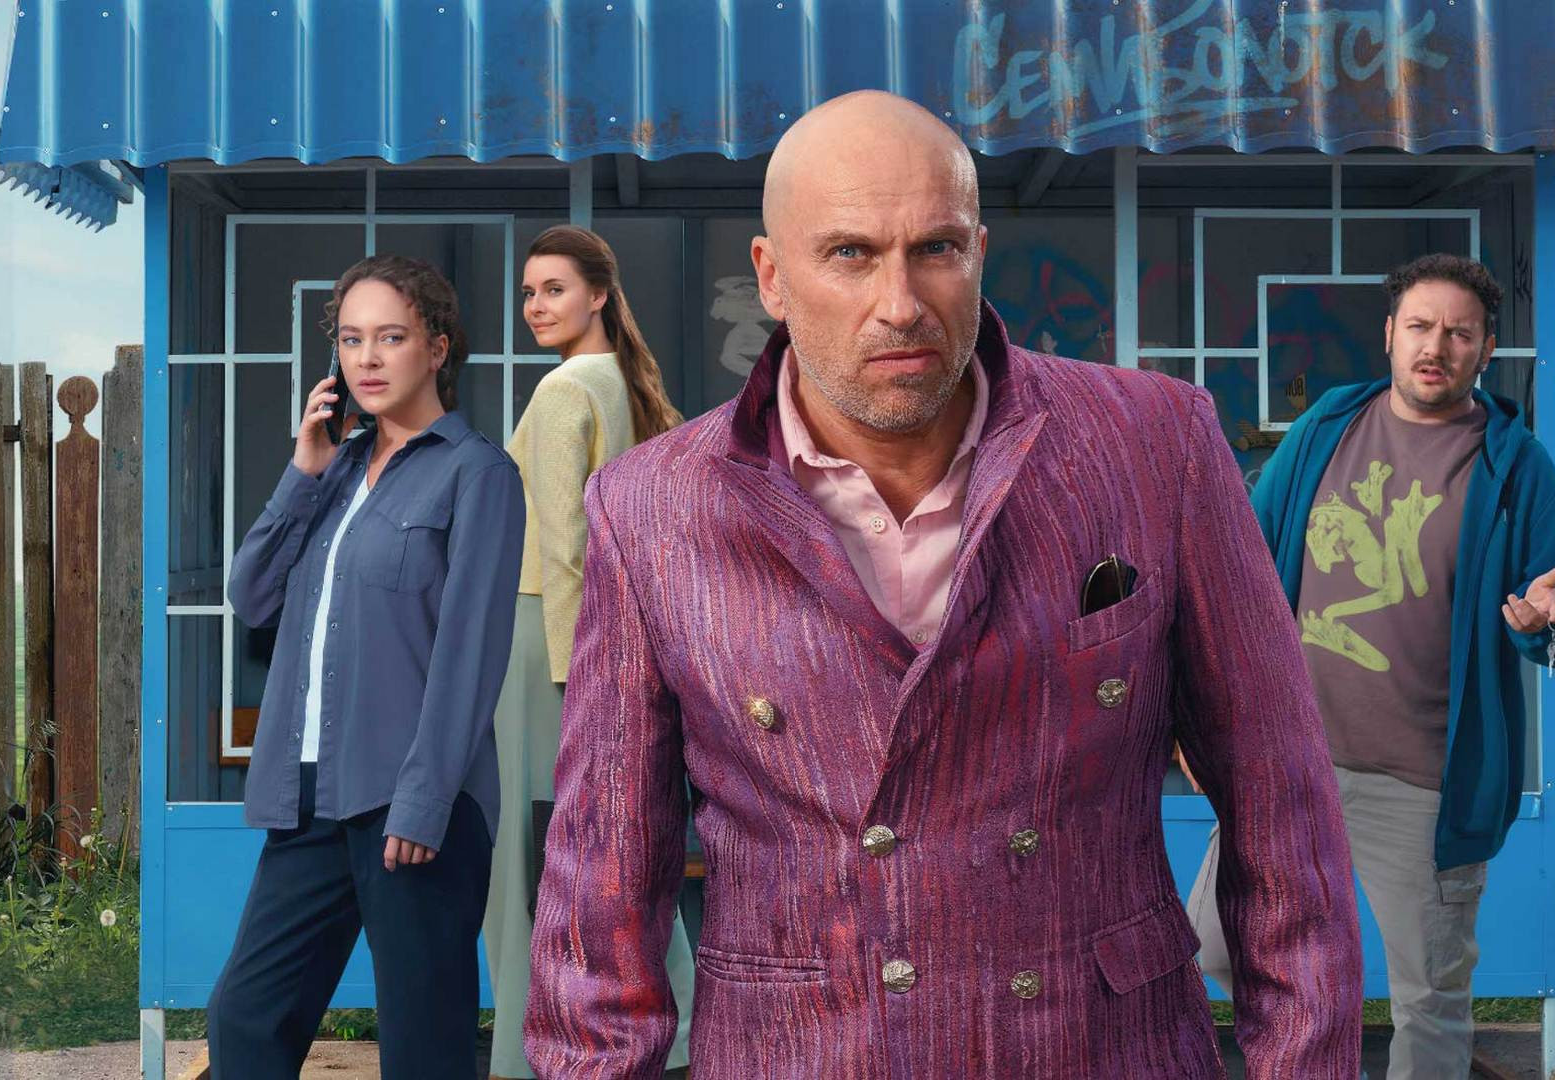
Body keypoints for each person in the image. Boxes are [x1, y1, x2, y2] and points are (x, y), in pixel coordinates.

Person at [522, 90, 1363, 1077]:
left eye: (936, 248)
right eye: (850, 253)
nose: (901, 303)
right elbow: (603, 879)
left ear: (979, 251)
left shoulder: (1154, 442)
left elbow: (1280, 802)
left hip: (1101, 1049)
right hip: (801, 1055)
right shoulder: (652, 507)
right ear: (772, 276)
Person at [1187, 253, 1555, 1079]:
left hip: (1424, 787)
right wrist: (1205, 715)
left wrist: (1545, 621)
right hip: (1291, 764)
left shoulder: (1513, 465)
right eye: (1419, 326)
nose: (1435, 346)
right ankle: (1315, 1034)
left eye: (1459, 333)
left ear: (1485, 349)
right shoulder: (1327, 428)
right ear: (1389, 333)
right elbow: (1243, 558)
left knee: (1430, 1000)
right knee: (1212, 945)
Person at [208, 255, 526, 1079]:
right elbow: (252, 596)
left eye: (391, 337)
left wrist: (424, 804)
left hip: (413, 805)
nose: (368, 358)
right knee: (245, 1019)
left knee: (423, 1049)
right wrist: (302, 472)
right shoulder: (335, 469)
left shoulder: (479, 474)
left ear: (438, 348)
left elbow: (469, 655)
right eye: (351, 340)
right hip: (310, 798)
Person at [484, 225, 694, 1079]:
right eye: (528, 293)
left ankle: (518, 1052)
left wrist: (576, 679)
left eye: (554, 290)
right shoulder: (627, 386)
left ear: (599, 294)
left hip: (546, 640)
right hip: (604, 639)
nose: (536, 306)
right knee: (615, 843)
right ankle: (680, 1030)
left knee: (521, 859)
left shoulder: (565, 389)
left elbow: (564, 546)